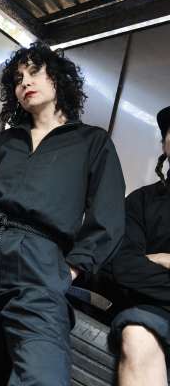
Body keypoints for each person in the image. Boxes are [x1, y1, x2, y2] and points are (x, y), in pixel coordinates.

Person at [0, 41, 125, 386]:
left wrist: (73, 268)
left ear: (58, 79)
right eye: (18, 80)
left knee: (41, 371)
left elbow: (108, 215)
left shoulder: (92, 142)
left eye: (34, 72)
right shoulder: (8, 141)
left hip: (41, 258)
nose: (25, 83)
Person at [110, 106, 170, 386]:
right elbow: (124, 266)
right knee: (137, 335)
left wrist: (160, 259)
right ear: (164, 144)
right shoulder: (141, 201)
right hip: (156, 312)